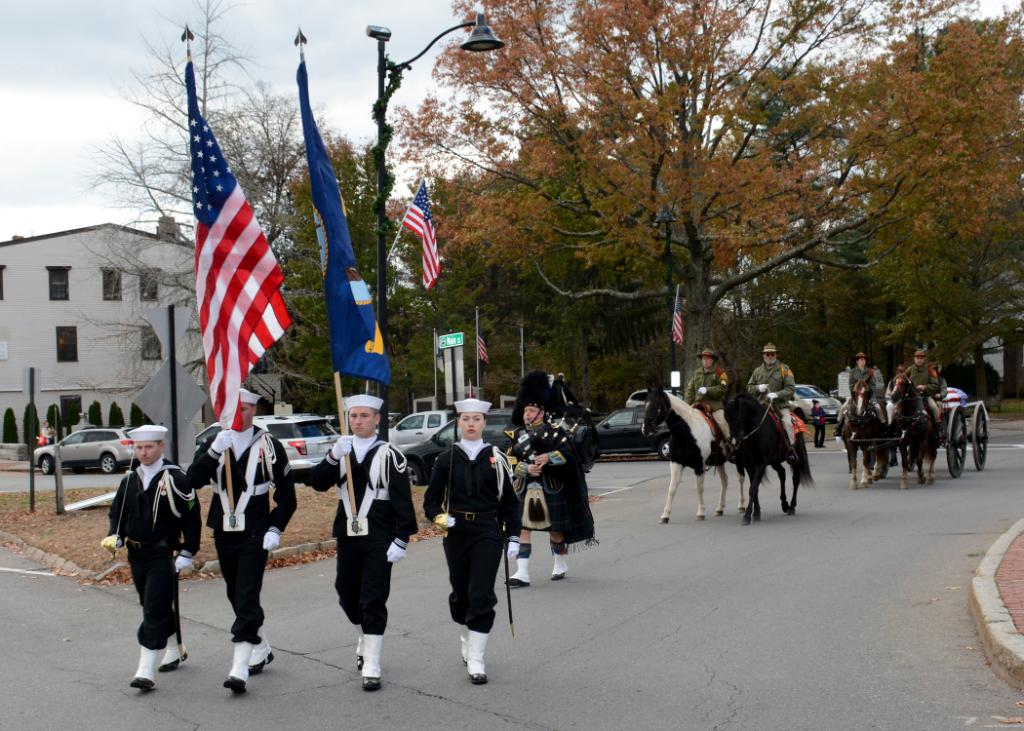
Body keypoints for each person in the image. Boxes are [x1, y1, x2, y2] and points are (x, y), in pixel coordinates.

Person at [187, 388, 296, 694]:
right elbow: (190, 482)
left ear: (254, 411)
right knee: (235, 594)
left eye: (245, 409)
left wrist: (276, 527)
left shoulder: (269, 445)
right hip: (224, 529)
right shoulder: (214, 442)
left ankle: (239, 668)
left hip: (255, 531)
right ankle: (260, 647)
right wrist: (210, 454)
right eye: (234, 410)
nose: (240, 415)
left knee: (247, 594)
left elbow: (287, 494)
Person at [309, 394, 416, 691]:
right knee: (346, 593)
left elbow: (402, 500)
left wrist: (402, 537)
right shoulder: (341, 450)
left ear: (377, 419)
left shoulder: (390, 454)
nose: (358, 421)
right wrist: (332, 457)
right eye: (354, 416)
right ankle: (364, 634)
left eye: (365, 416)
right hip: (348, 533)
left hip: (380, 533)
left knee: (373, 596)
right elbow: (317, 483)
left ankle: (372, 662)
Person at [423, 399, 520, 685]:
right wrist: (441, 519)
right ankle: (466, 632)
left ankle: (477, 658)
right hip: (456, 531)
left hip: (488, 531)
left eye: (476, 419)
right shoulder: (446, 459)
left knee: (481, 593)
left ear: (484, 423)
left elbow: (510, 503)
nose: (471, 424)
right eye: (466, 419)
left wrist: (514, 536)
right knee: (461, 593)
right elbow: (430, 501)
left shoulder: (497, 458)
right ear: (459, 423)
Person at [101, 425, 201, 691]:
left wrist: (188, 550)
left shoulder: (176, 478)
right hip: (136, 555)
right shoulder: (130, 480)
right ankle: (175, 647)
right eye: (139, 448)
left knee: (153, 609)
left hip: (161, 554)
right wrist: (116, 536)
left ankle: (145, 669)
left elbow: (192, 516)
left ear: (161, 447)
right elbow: (117, 513)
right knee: (151, 603)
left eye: (149, 447)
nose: (144, 453)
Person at [506, 370, 597, 588]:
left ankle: (560, 563)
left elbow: (569, 456)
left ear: (542, 411)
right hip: (525, 488)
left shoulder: (556, 433)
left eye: (531, 410)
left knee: (555, 530)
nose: (527, 414)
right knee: (522, 529)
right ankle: (522, 573)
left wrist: (549, 457)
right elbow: (508, 461)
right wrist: (525, 468)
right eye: (526, 410)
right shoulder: (516, 436)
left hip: (551, 487)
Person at [746, 343, 797, 455]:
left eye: (772, 354)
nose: (770, 356)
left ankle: (791, 449)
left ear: (776, 355)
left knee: (787, 423)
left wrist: (777, 394)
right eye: (767, 354)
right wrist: (758, 388)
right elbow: (749, 387)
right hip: (761, 405)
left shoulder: (784, 369)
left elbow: (791, 388)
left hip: (779, 406)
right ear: (763, 356)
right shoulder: (757, 371)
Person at [683, 348, 731, 442]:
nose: (705, 360)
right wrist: (686, 405)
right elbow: (690, 391)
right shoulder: (697, 373)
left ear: (712, 360)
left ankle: (730, 442)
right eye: (704, 358)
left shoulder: (720, 372)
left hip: (714, 404)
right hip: (698, 403)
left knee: (722, 422)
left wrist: (708, 390)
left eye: (708, 358)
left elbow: (723, 388)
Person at [835, 352, 885, 437]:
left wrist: (866, 390)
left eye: (864, 359)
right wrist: (855, 389)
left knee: (878, 407)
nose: (863, 361)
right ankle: (838, 427)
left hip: (868, 395)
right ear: (857, 361)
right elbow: (849, 385)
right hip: (854, 395)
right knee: (843, 407)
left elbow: (874, 385)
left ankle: (883, 426)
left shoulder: (870, 372)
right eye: (861, 360)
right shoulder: (852, 372)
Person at [904, 349, 942, 426]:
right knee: (899, 407)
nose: (919, 360)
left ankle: (938, 427)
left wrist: (924, 387)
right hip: (912, 396)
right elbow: (903, 379)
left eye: (921, 358)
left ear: (924, 359)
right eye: (917, 358)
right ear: (914, 359)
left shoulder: (929, 370)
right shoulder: (910, 369)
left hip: (926, 395)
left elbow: (935, 385)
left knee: (934, 408)